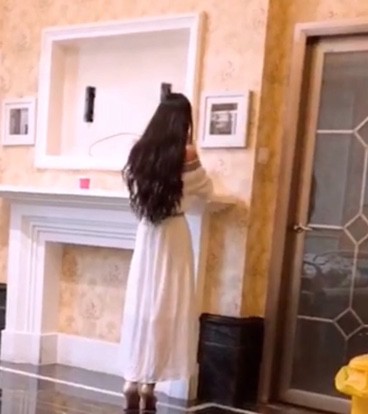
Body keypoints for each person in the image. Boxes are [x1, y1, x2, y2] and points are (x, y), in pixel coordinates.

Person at [119, 93, 213, 412]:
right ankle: (149, 386)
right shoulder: (187, 153)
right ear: (184, 120)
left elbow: (135, 190)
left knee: (142, 304)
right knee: (166, 304)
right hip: (173, 233)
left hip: (147, 232)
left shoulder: (139, 151)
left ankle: (131, 380)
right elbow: (206, 190)